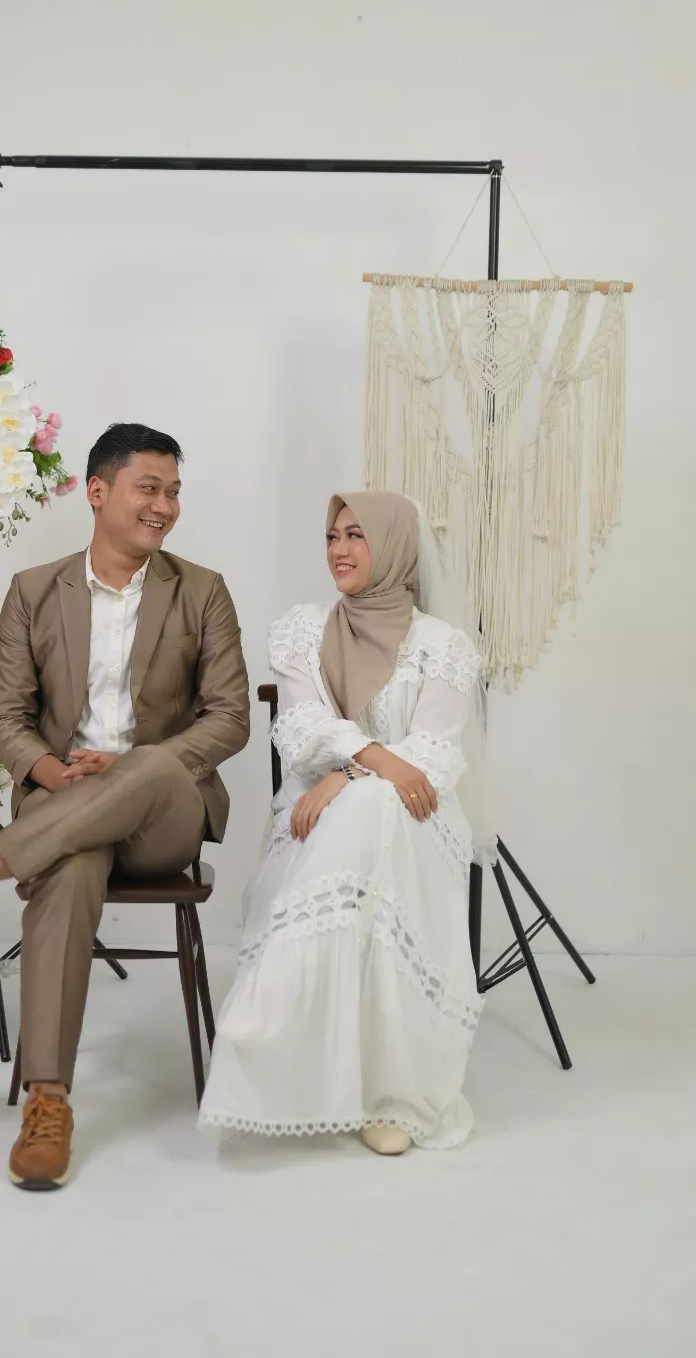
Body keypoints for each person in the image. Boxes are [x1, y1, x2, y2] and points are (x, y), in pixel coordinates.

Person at [0, 422, 250, 1189]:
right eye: (149, 488)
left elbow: (230, 717)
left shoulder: (202, 590)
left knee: (148, 766)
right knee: (67, 872)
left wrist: (131, 767)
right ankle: (48, 1101)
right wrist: (50, 770)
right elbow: (6, 714)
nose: (165, 506)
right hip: (64, 809)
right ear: (98, 492)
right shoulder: (35, 591)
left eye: (173, 492)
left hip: (165, 813)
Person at [200, 490, 483, 1153]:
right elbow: (303, 729)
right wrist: (363, 768)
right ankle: (364, 1084)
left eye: (357, 535)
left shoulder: (444, 646)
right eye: (332, 536)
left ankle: (378, 1081)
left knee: (374, 804)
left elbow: (431, 760)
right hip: (313, 810)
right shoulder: (303, 630)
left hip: (419, 819)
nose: (339, 550)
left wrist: (348, 776)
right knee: (368, 804)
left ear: (395, 547)